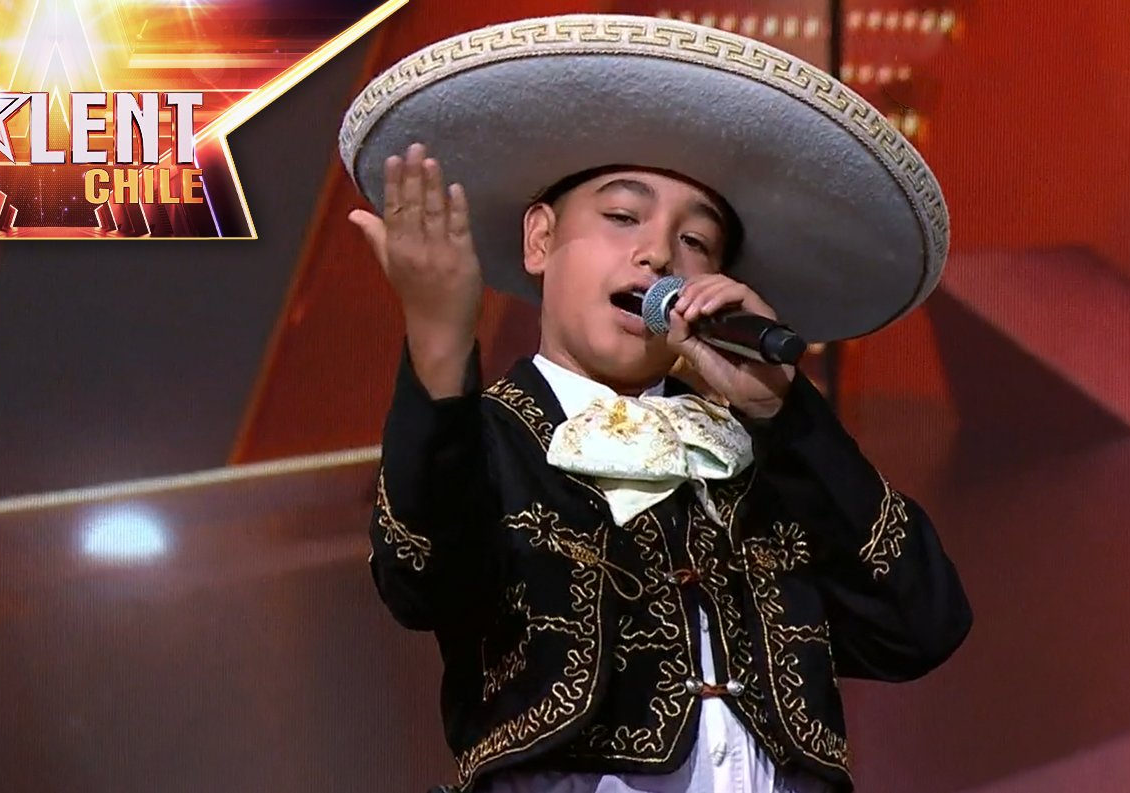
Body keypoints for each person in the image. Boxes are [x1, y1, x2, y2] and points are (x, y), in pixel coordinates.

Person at [341, 14, 972, 793]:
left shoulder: (761, 462)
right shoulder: (486, 441)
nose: (657, 253)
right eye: (621, 216)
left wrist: (786, 414)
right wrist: (439, 343)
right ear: (539, 239)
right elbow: (423, 580)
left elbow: (922, 623)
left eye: (696, 242)